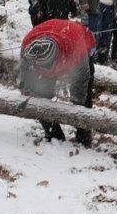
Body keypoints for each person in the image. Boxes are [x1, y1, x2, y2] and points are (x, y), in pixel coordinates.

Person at [19, 19, 96, 147]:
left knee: (83, 98)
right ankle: (55, 135)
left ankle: (83, 135)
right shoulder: (28, 44)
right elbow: (24, 68)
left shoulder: (75, 47)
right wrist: (26, 88)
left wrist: (78, 103)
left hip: (77, 42)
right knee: (40, 98)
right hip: (53, 36)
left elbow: (82, 78)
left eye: (47, 67)